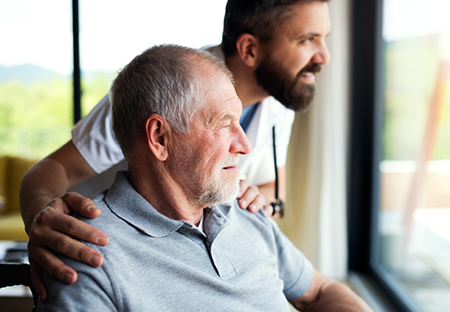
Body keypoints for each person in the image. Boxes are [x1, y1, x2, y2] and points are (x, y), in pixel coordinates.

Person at [20, 0, 331, 300]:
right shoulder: (163, 92)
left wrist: (247, 193)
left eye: (324, 38)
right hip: (113, 251)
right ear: (250, 49)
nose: (324, 56)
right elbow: (51, 170)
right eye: (307, 40)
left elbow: (276, 187)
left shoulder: (278, 100)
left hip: (186, 245)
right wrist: (42, 222)